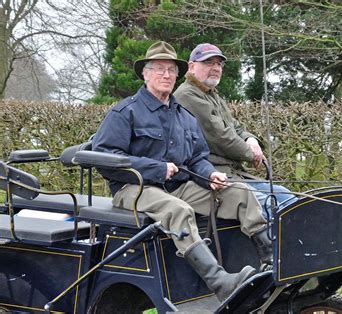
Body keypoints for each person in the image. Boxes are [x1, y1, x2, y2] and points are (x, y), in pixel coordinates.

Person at [92, 41, 272, 302]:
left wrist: (210, 174)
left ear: (178, 75)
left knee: (240, 194)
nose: (166, 75)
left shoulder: (184, 116)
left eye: (170, 70)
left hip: (179, 186)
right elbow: (105, 157)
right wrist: (156, 168)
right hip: (134, 187)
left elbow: (198, 158)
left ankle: (270, 263)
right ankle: (220, 282)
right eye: (159, 69)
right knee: (178, 210)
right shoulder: (125, 112)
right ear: (145, 73)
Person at [174, 43, 296, 219]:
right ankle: (274, 246)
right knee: (270, 205)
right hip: (212, 175)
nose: (216, 68)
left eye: (219, 64)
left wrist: (250, 140)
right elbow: (220, 136)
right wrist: (251, 154)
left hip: (235, 174)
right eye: (208, 62)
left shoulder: (211, 94)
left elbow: (234, 126)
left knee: (285, 195)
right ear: (191, 66)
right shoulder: (187, 95)